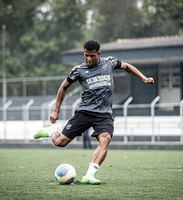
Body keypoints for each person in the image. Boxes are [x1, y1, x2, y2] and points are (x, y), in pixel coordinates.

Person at [33, 40, 154, 185]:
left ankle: (89, 175)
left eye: (92, 56)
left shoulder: (108, 62)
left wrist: (144, 78)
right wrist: (56, 110)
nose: (89, 59)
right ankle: (52, 131)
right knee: (60, 142)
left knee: (105, 139)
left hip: (104, 114)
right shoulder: (78, 70)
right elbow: (63, 87)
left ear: (98, 54)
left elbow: (127, 66)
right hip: (85, 112)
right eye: (86, 55)